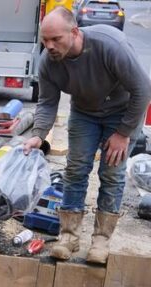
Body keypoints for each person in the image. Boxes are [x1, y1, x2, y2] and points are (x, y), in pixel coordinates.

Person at [23, 7, 151, 264]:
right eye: (45, 40)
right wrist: (38, 134)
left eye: (55, 39)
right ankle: (68, 236)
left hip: (123, 111)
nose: (49, 46)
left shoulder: (109, 46)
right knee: (76, 168)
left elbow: (142, 90)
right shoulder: (49, 61)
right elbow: (48, 102)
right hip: (85, 112)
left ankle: (101, 240)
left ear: (74, 32)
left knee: (112, 172)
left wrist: (123, 133)